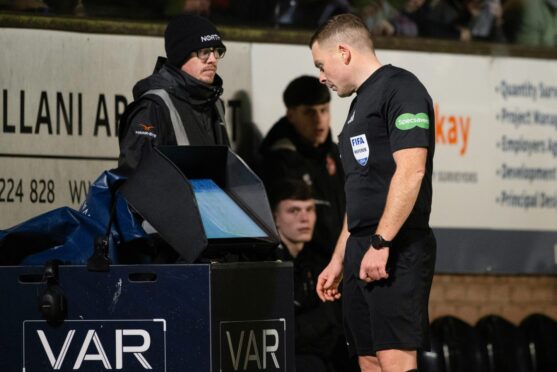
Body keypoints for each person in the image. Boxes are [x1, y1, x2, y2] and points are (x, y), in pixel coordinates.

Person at [310, 14, 436, 372]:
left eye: (322, 65)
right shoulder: (357, 106)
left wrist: (381, 243)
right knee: (368, 359)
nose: (321, 76)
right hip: (361, 249)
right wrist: (339, 258)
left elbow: (411, 172)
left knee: (394, 359)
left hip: (395, 247)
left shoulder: (402, 88)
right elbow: (361, 197)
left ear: (344, 52)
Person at [117, 14, 230, 175]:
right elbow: (137, 183)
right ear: (180, 55)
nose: (212, 59)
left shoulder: (215, 104)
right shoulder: (152, 107)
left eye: (217, 51)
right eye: (204, 52)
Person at [259, 75, 345, 259]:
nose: (318, 120)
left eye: (324, 110)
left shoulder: (337, 154)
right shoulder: (279, 160)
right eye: (309, 112)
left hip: (341, 263)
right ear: (291, 115)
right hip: (306, 267)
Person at [268, 178, 346, 372]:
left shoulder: (320, 259)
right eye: (293, 210)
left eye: (309, 209)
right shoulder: (266, 265)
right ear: (275, 217)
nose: (304, 218)